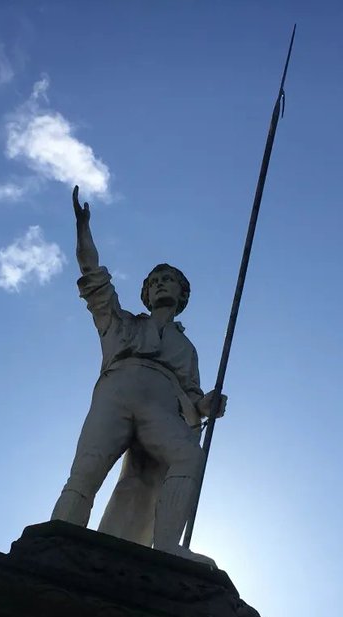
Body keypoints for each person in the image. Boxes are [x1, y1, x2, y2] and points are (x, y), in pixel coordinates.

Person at [51, 186, 226, 560]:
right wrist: (83, 230)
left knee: (188, 457)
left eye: (169, 280)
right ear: (145, 294)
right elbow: (93, 276)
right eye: (155, 280)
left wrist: (208, 403)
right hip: (118, 390)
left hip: (160, 405)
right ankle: (59, 539)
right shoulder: (121, 323)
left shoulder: (186, 350)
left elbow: (193, 397)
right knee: (86, 472)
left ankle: (164, 548)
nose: (161, 283)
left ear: (182, 294)